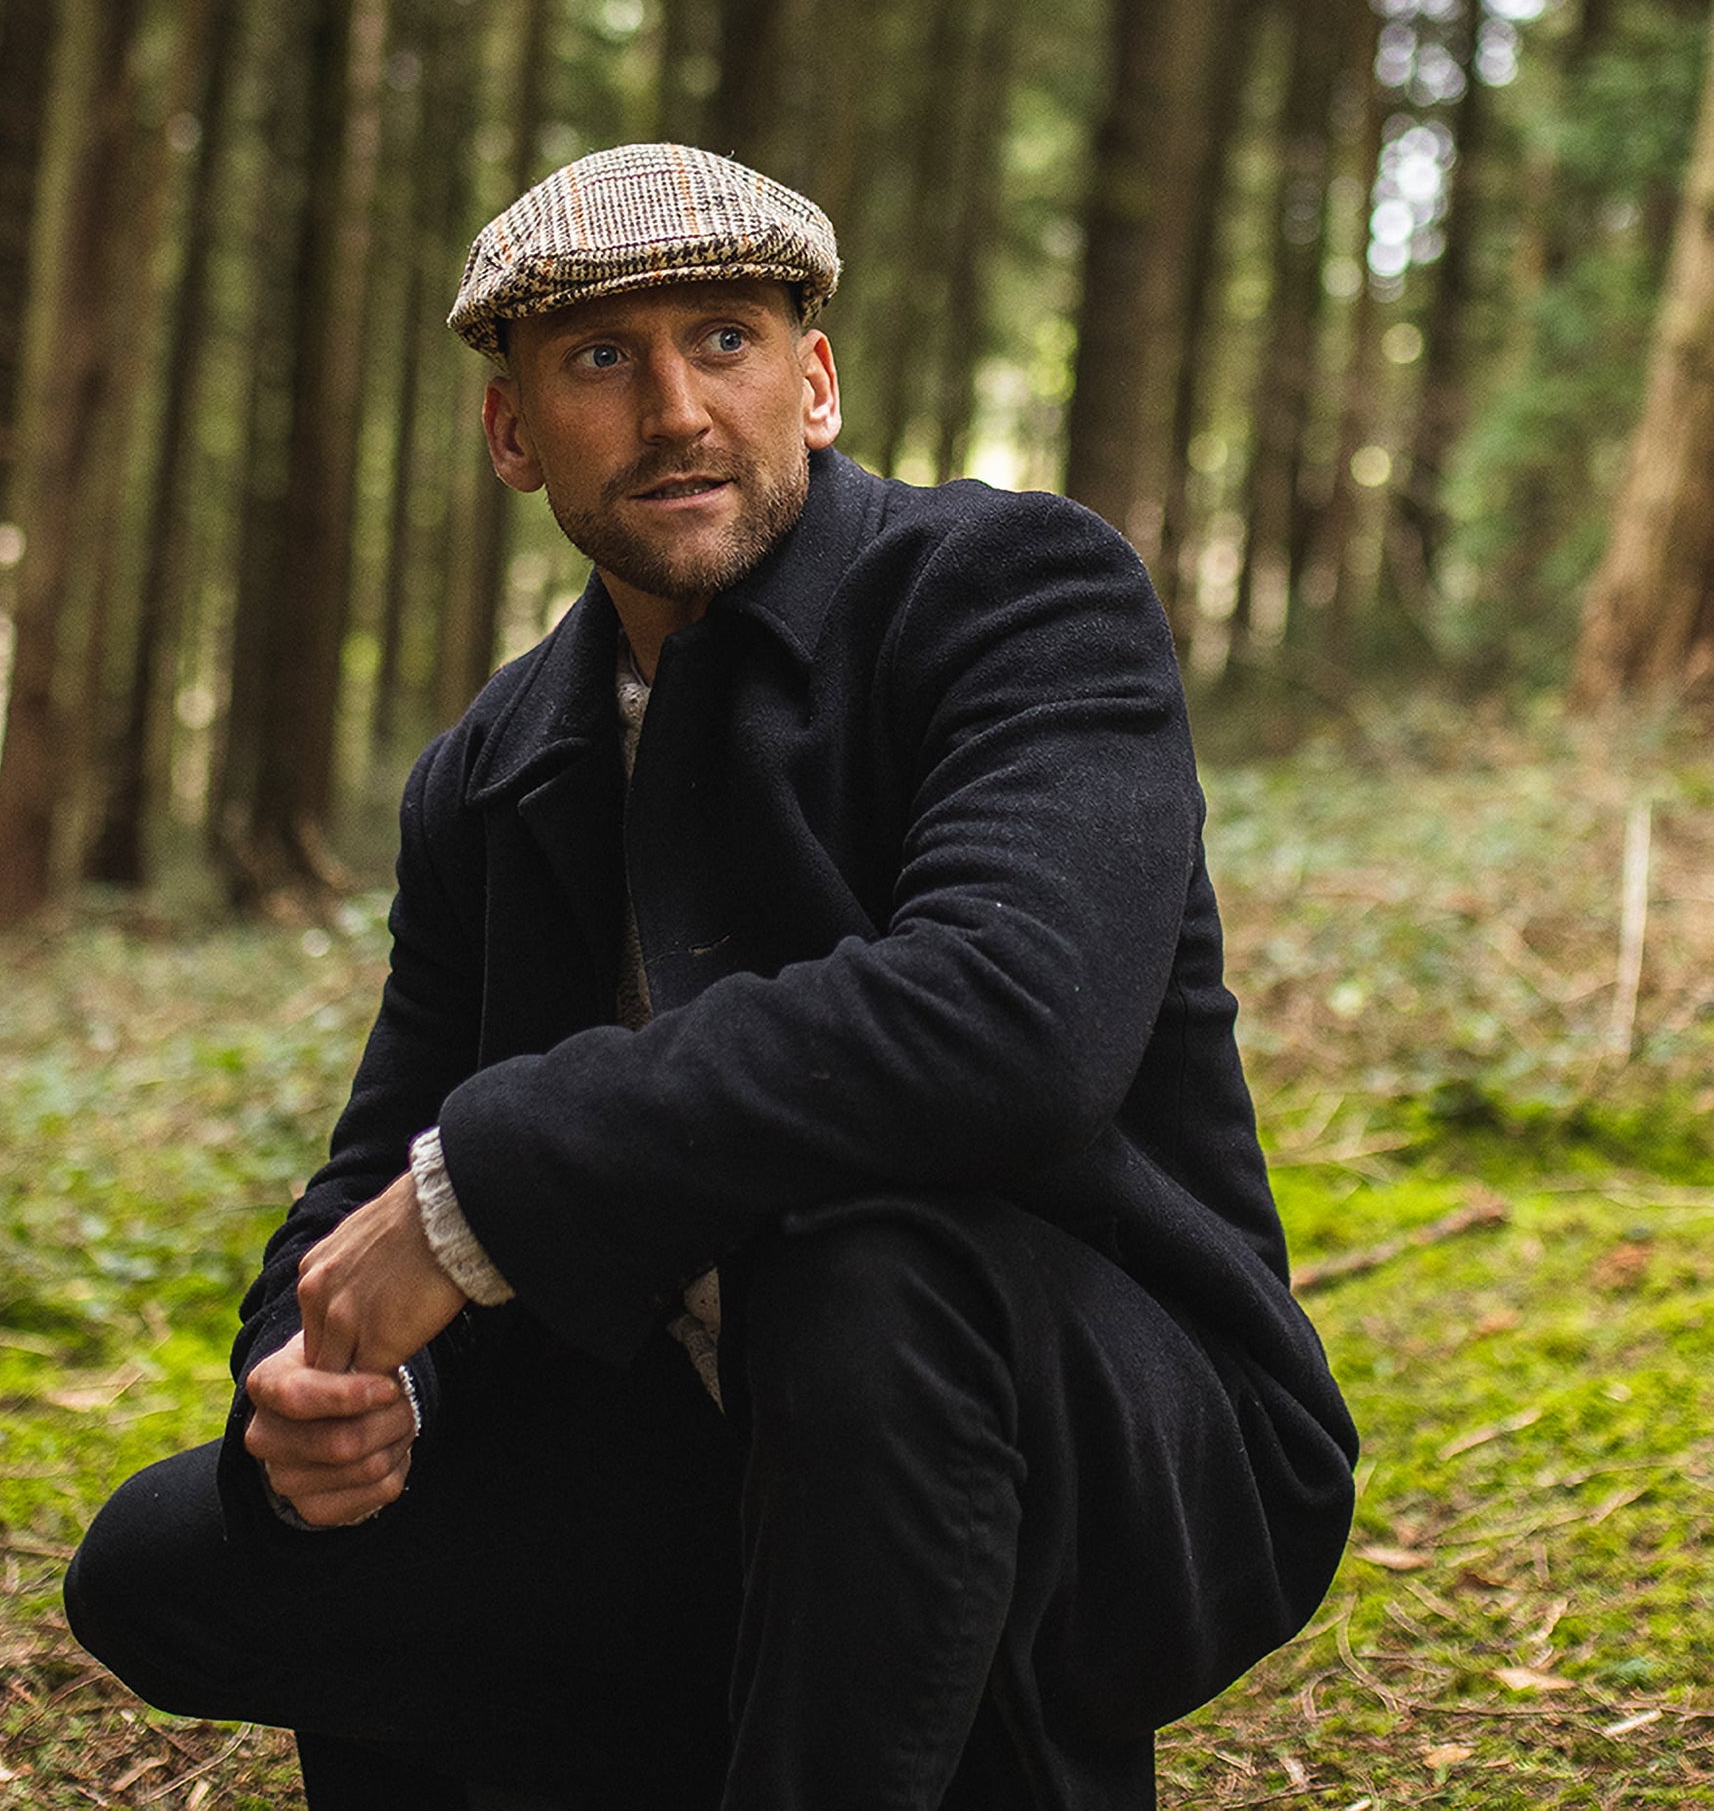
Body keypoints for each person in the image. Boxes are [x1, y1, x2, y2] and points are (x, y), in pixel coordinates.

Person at [66, 143, 1357, 1811]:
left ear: (811, 383)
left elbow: (1013, 1022)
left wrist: (487, 1190)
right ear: (513, 432)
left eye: (725, 340)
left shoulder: (1015, 592)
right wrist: (324, 1390)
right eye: (602, 357)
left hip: (1114, 1442)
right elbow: (379, 1159)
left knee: (865, 1270)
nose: (674, 410)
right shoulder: (493, 766)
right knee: (167, 1558)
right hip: (699, 1450)